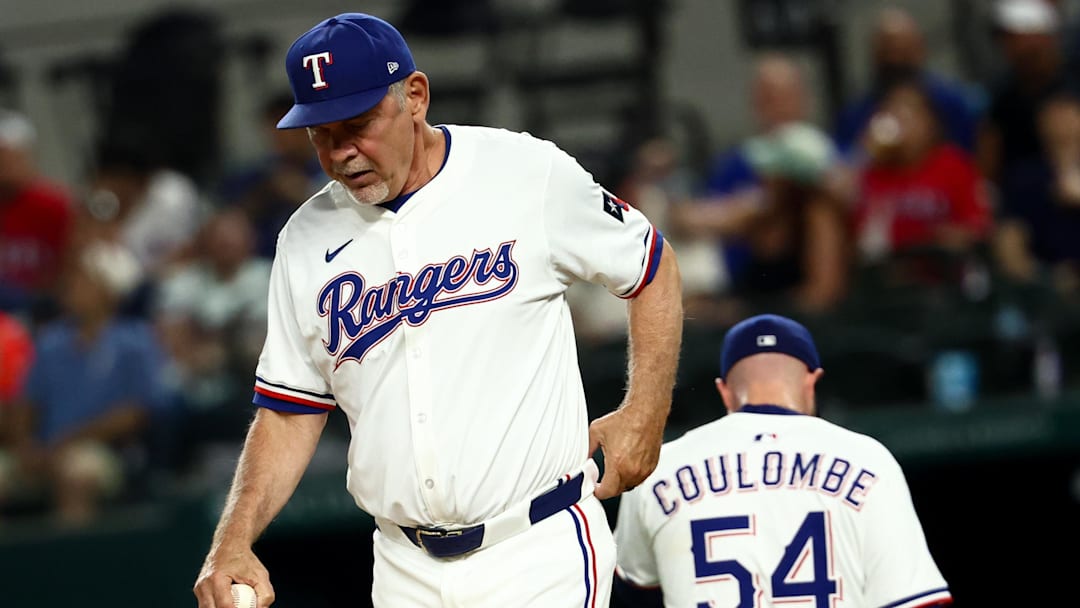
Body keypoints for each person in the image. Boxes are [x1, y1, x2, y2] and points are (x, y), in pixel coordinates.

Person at [192, 12, 683, 608]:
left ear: (415, 97)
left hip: (535, 548)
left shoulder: (522, 172)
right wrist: (233, 540)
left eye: (358, 123)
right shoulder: (304, 239)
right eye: (320, 131)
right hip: (403, 568)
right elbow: (290, 411)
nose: (341, 151)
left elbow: (651, 265)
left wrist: (646, 409)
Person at [610, 314, 952, 608]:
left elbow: (633, 591)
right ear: (812, 381)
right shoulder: (868, 459)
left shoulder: (661, 466)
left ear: (724, 390)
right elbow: (917, 600)